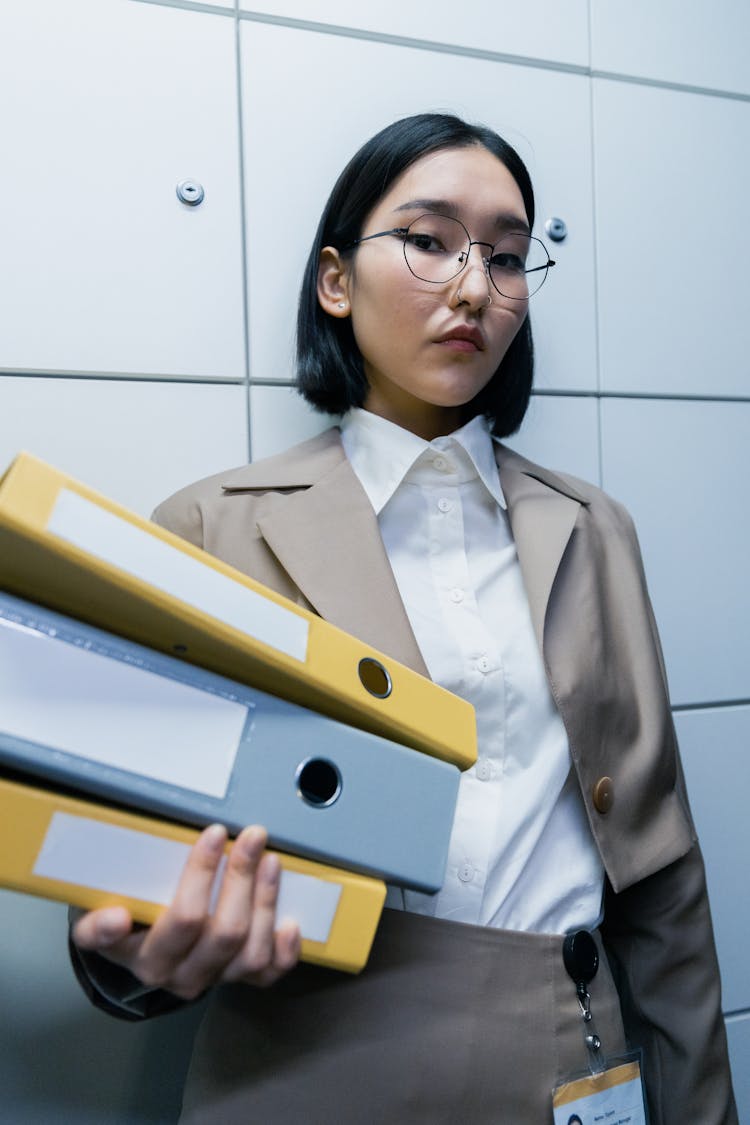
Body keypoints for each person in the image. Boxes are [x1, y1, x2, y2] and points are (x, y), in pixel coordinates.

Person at [70, 113, 737, 1124]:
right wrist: (134, 963)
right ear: (335, 282)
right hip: (305, 1061)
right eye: (429, 242)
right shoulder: (210, 529)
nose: (475, 287)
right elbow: (125, 885)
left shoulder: (594, 530)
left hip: (576, 1047)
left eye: (508, 258)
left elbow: (664, 879)